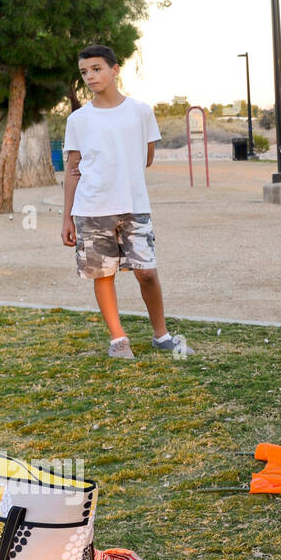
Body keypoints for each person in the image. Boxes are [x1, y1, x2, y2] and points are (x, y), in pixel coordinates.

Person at [60, 45, 194, 359]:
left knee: (146, 272)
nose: (90, 76)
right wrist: (66, 218)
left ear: (115, 69)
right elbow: (73, 169)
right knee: (103, 274)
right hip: (91, 209)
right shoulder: (78, 120)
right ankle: (118, 340)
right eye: (84, 72)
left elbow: (146, 158)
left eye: (96, 69)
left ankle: (161, 335)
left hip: (135, 206)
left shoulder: (140, 111)